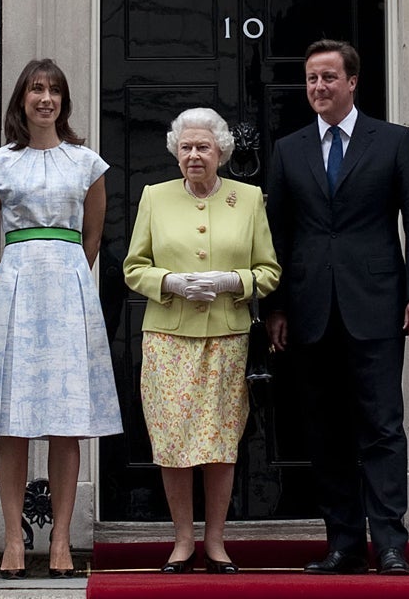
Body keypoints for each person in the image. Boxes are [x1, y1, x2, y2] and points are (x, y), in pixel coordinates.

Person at [265, 39, 409, 576]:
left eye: (328, 78)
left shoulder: (393, 141)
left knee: (383, 426)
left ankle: (388, 542)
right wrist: (276, 308)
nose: (318, 87)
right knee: (325, 430)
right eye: (312, 79)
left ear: (352, 82)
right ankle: (342, 543)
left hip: (379, 306)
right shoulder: (288, 150)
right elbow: (278, 233)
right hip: (311, 310)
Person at [0, 58, 122, 579]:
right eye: (36, 89)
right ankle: (12, 541)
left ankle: (59, 543)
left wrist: (68, 276)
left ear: (64, 101)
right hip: (16, 291)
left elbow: (93, 236)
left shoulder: (86, 163)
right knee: (14, 423)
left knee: (65, 423)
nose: (45, 98)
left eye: (53, 90)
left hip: (68, 288)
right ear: (22, 100)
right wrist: (7, 285)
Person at [123, 107, 281, 575]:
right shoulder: (155, 196)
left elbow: (269, 272)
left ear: (221, 152)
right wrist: (170, 283)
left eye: (204, 148)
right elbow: (134, 267)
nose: (195, 155)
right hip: (168, 337)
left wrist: (232, 281)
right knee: (173, 439)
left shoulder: (249, 199)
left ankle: (215, 542)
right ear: (176, 152)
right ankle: (181, 542)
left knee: (219, 442)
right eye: (187, 147)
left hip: (226, 336)